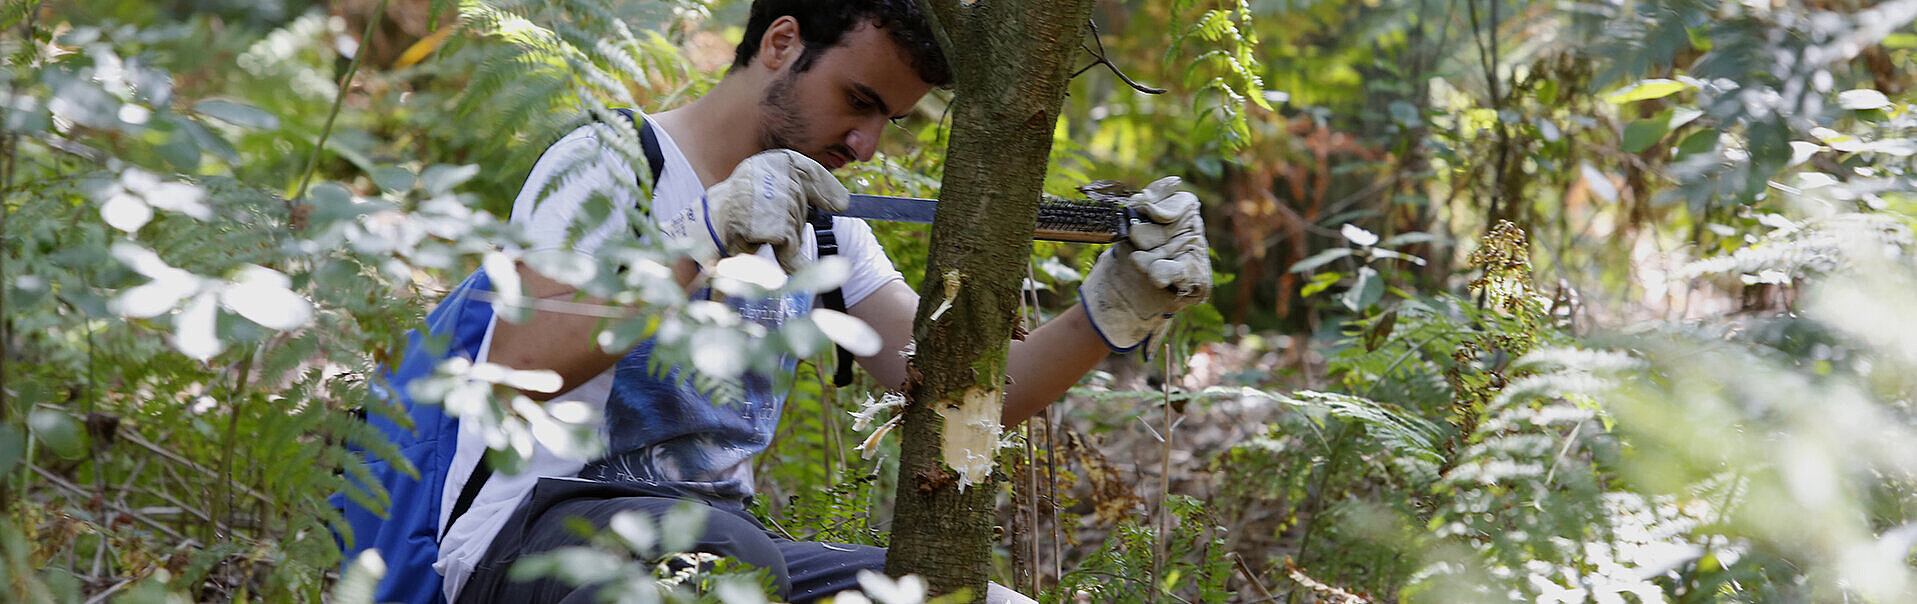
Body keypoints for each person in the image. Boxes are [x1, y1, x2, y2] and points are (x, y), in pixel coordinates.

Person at [377, 1, 1213, 602]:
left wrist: (1118, 307)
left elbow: (965, 386)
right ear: (781, 42)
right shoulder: (606, 165)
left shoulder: (817, 224)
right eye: (857, 101)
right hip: (528, 542)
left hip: (724, 554)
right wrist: (704, 233)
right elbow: (521, 367)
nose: (865, 144)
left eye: (889, 119)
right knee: (722, 564)